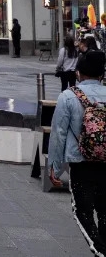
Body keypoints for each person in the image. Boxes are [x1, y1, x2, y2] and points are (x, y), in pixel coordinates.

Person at [49, 50, 106, 253]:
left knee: (82, 211)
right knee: (104, 210)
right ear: (102, 74)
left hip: (81, 163)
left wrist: (54, 167)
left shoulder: (68, 96)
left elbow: (58, 134)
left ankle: (100, 249)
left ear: (78, 73)